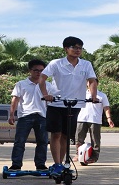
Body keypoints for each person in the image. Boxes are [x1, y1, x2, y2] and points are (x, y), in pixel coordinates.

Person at [40, 36, 98, 176]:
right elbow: (42, 78)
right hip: (56, 103)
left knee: (66, 136)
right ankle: (57, 163)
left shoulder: (86, 64)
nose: (78, 50)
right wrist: (46, 94)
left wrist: (93, 96)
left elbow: (92, 80)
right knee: (56, 134)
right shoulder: (56, 63)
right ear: (66, 49)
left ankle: (63, 163)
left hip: (75, 104)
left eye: (80, 48)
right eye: (74, 47)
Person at [9, 59, 57, 170]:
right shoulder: (21, 84)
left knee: (43, 142)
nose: (39, 73)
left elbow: (54, 101)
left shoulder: (48, 86)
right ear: (30, 70)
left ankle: (40, 164)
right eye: (36, 70)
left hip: (42, 116)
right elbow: (15, 100)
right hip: (25, 116)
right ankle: (16, 164)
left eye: (41, 70)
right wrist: (12, 114)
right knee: (19, 141)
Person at [75, 82, 114, 164]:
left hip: (95, 120)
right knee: (79, 138)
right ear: (86, 84)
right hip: (82, 118)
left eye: (94, 83)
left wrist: (109, 118)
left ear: (97, 84)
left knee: (95, 139)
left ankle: (94, 157)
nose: (91, 84)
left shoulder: (102, 95)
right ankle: (78, 154)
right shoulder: (82, 94)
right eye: (89, 82)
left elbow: (106, 107)